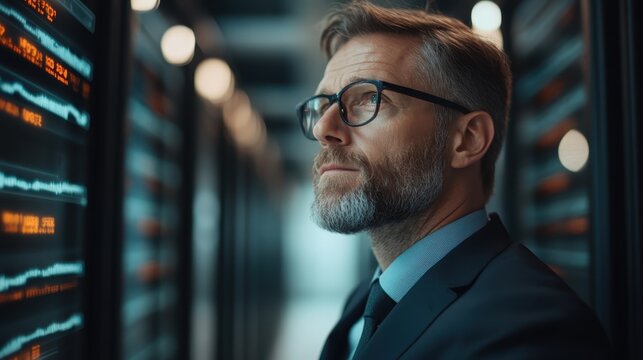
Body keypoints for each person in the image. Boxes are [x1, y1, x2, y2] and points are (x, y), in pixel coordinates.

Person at [295, 1, 611, 359]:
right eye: (323, 105)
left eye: (369, 98)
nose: (324, 128)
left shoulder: (532, 332)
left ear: (468, 139)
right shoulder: (364, 300)